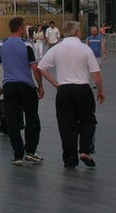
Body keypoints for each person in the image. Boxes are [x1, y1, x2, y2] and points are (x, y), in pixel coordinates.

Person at [38, 21, 105, 168]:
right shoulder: (85, 49)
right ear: (77, 32)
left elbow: (41, 67)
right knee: (88, 120)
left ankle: (70, 158)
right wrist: (100, 91)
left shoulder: (56, 49)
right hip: (82, 89)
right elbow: (96, 73)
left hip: (64, 90)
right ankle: (85, 151)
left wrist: (55, 82)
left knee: (66, 125)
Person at [0, 16, 44, 166]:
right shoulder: (27, 45)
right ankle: (31, 151)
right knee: (32, 117)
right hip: (26, 86)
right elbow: (35, 68)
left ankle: (18, 155)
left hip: (9, 86)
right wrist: (40, 86)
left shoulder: (1, 45)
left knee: (12, 120)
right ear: (21, 28)